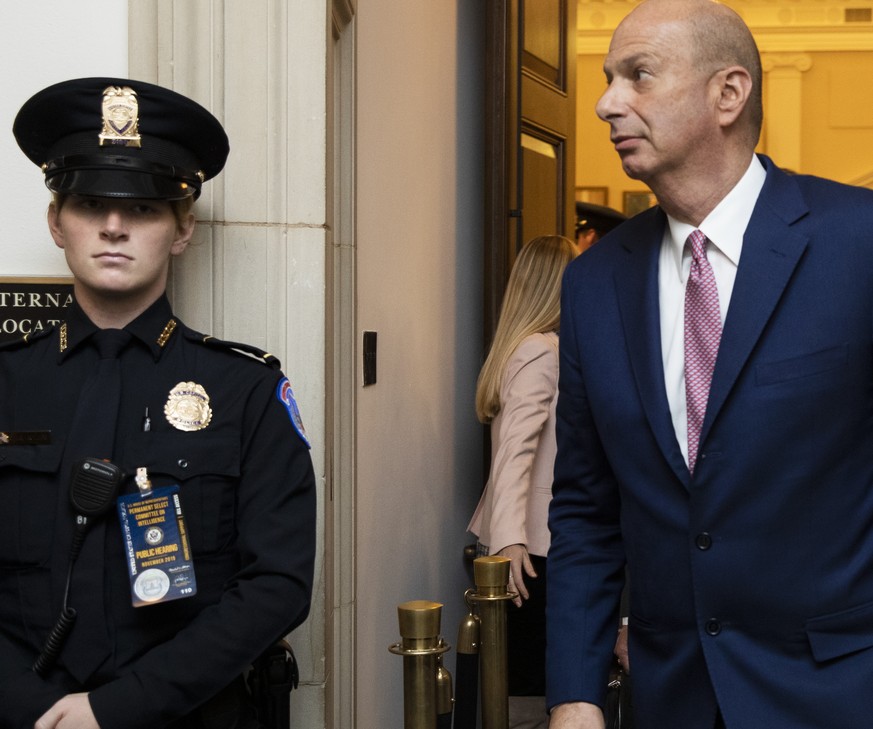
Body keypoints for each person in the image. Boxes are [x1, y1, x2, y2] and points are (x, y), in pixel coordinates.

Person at [546, 1, 873, 727]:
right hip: (671, 696)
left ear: (728, 94)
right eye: (606, 79)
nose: (605, 103)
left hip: (836, 691)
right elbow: (584, 507)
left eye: (637, 76)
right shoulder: (596, 281)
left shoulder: (858, 240)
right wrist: (573, 691)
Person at [0, 78, 316, 729]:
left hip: (185, 714)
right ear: (57, 222)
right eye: (90, 203)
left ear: (182, 229)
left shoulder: (245, 391)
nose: (114, 225)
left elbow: (276, 585)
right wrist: (24, 703)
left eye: (143, 209)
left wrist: (120, 706)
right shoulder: (6, 381)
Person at [468, 234, 578, 728]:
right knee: (531, 690)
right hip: (533, 548)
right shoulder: (544, 349)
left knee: (521, 680)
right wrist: (511, 539)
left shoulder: (522, 345)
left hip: (521, 542)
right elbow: (517, 451)